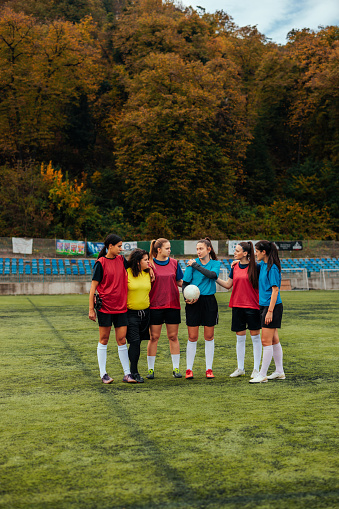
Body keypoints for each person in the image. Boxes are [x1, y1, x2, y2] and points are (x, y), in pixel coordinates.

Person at [89, 234, 136, 384]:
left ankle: (127, 374)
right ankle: (103, 374)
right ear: (110, 246)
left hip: (121, 307)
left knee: (122, 340)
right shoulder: (100, 263)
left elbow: (137, 265)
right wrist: (91, 309)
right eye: (119, 246)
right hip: (105, 308)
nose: (121, 249)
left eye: (122, 246)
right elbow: (93, 288)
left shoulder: (122, 260)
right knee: (104, 339)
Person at [216, 242, 262, 379]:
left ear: (246, 253)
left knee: (255, 338)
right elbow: (228, 285)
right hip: (237, 306)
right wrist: (214, 277)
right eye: (235, 250)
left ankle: (256, 369)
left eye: (237, 251)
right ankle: (240, 368)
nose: (234, 253)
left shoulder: (257, 267)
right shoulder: (234, 267)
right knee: (240, 338)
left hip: (253, 306)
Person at [183, 237, 221, 379]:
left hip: (209, 302)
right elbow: (185, 284)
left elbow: (212, 275)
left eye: (201, 249)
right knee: (192, 337)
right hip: (193, 303)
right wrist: (186, 298)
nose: (198, 251)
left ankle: (209, 369)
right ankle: (189, 369)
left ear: (208, 249)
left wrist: (196, 266)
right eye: (197, 249)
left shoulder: (215, 264)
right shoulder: (190, 265)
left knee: (209, 336)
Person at [146, 238, 184, 379]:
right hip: (155, 306)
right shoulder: (149, 264)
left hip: (173, 305)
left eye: (170, 248)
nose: (170, 250)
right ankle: (150, 370)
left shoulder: (174, 263)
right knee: (154, 337)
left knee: (173, 337)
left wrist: (191, 289)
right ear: (159, 250)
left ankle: (176, 369)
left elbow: (180, 281)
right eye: (167, 248)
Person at [249, 240, 285, 383]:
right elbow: (250, 265)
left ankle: (262, 374)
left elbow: (275, 290)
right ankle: (279, 371)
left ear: (264, 252)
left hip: (272, 307)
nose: (255, 253)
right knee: (274, 339)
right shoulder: (263, 265)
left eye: (257, 251)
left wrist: (270, 311)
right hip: (264, 306)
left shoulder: (273, 268)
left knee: (265, 340)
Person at [126, 249, 152, 383]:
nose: (148, 261)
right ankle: (133, 372)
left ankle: (132, 370)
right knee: (134, 342)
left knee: (139, 343)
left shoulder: (148, 273)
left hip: (146, 313)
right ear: (137, 262)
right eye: (145, 260)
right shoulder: (127, 273)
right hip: (130, 314)